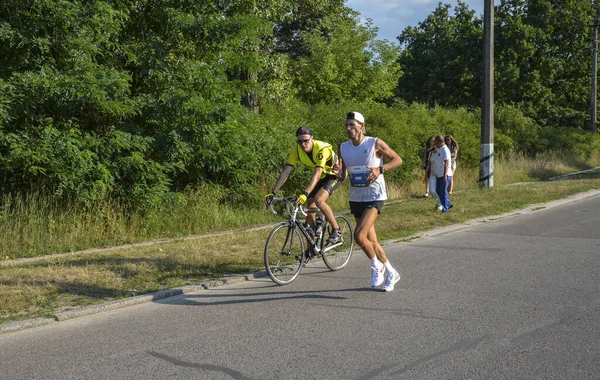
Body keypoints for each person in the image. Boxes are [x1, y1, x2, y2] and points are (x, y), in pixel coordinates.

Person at [337, 112, 403, 292]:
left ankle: (376, 266)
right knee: (372, 242)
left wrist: (380, 169)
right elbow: (342, 175)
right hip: (356, 197)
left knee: (359, 235)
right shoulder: (343, 147)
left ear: (362, 126)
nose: (349, 128)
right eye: (347, 125)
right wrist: (337, 172)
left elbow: (397, 160)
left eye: (353, 125)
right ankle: (392, 272)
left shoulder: (375, 143)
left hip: (375, 196)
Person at [265, 126, 343, 246]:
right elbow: (286, 171)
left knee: (319, 200)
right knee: (310, 212)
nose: (303, 144)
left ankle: (336, 230)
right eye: (300, 141)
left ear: (312, 138)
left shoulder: (321, 149)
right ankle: (310, 250)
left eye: (306, 140)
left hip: (334, 175)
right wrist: (273, 192)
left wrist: (305, 194)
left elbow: (317, 174)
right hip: (321, 176)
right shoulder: (296, 150)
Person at [431, 135, 453, 212]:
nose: (435, 144)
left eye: (435, 142)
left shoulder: (445, 150)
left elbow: (446, 163)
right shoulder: (440, 149)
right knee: (438, 191)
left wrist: (445, 175)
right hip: (439, 174)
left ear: (439, 142)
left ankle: (445, 208)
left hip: (445, 174)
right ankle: (448, 203)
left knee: (443, 192)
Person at [425, 142, 441, 210]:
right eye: (433, 146)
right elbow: (429, 163)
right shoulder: (431, 154)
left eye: (436, 145)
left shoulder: (441, 153)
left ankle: (440, 204)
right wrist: (426, 171)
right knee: (432, 190)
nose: (435, 147)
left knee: (439, 190)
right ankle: (440, 201)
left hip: (440, 174)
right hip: (432, 174)